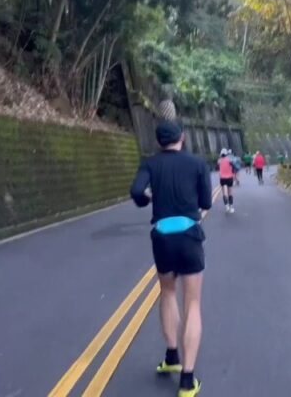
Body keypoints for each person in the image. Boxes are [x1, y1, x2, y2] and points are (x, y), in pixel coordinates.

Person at [130, 121, 211, 397]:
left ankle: (172, 358)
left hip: (162, 238)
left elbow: (136, 192)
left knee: (166, 293)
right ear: (182, 138)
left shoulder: (150, 164)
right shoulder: (197, 163)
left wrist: (150, 198)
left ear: (158, 142)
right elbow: (206, 203)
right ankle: (187, 381)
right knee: (193, 303)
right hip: (189, 236)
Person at [217, 148, 236, 213]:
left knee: (224, 193)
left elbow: (217, 168)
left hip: (222, 178)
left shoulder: (219, 161)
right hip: (230, 177)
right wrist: (233, 173)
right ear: (226, 154)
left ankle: (226, 206)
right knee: (230, 192)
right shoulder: (229, 160)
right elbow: (234, 167)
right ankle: (231, 207)